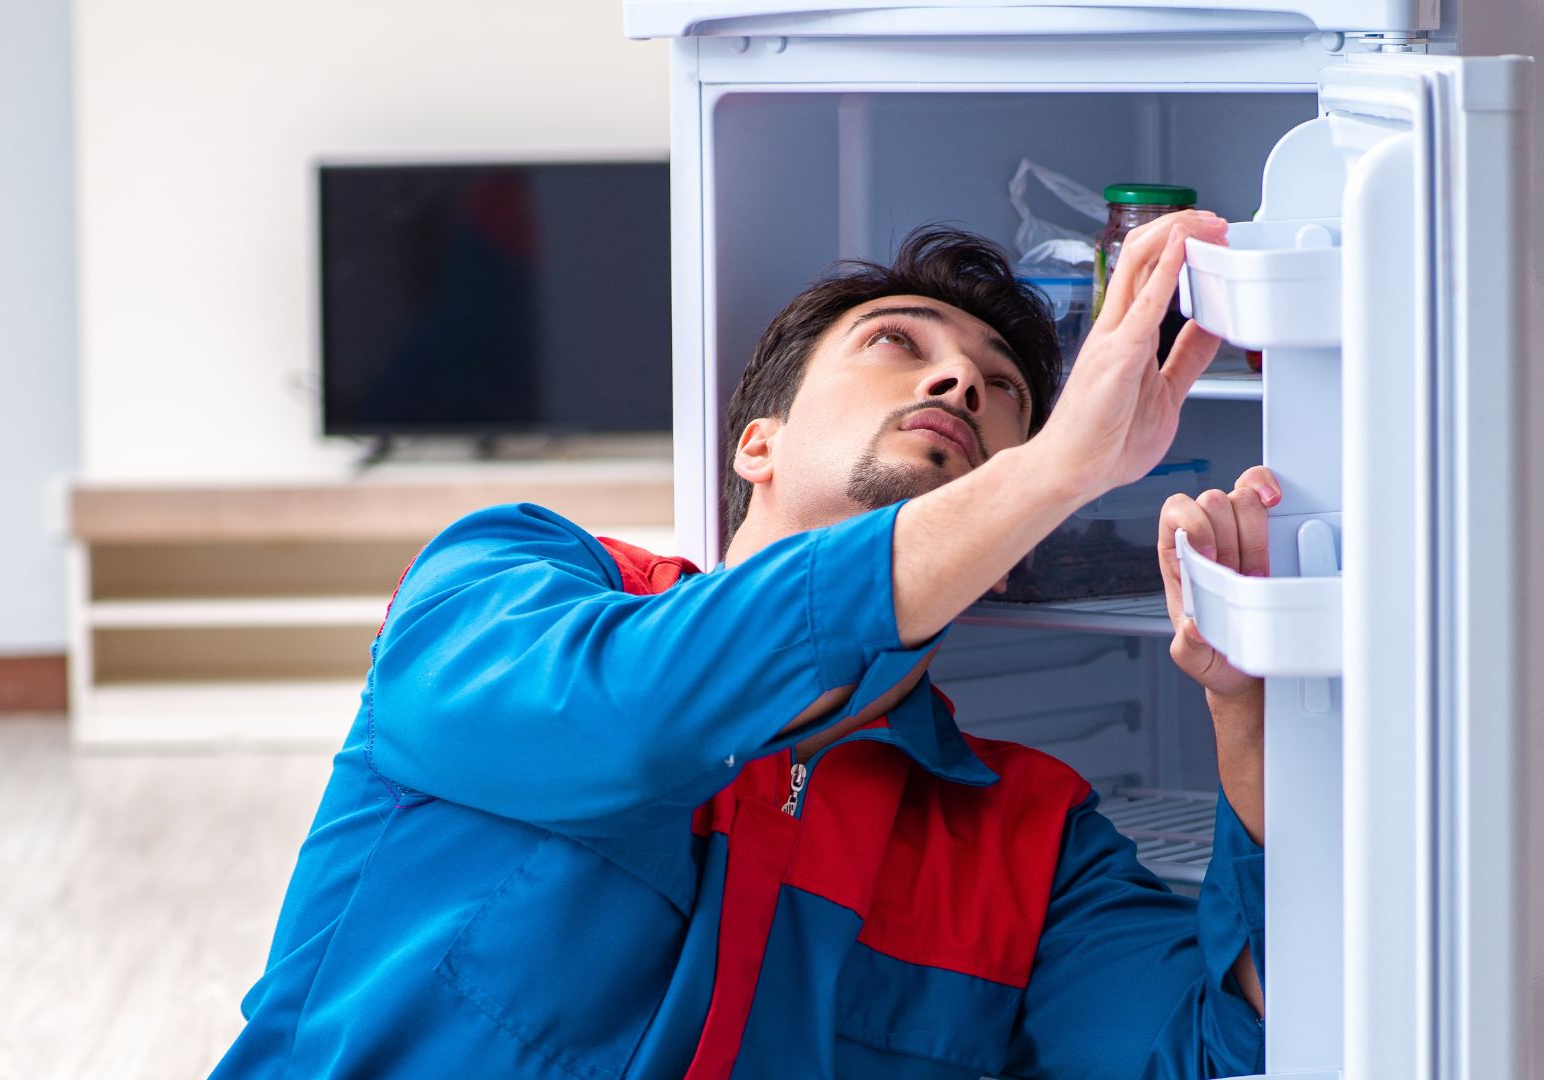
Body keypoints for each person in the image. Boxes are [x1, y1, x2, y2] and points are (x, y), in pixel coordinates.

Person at [213, 212, 1281, 1079]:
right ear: (755, 444)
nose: (958, 385)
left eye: (1002, 389)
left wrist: (1251, 721)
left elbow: (1219, 1055)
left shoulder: (1029, 843)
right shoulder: (509, 580)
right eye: (898, 344)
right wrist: (1051, 471)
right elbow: (628, 725)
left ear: (1004, 555)